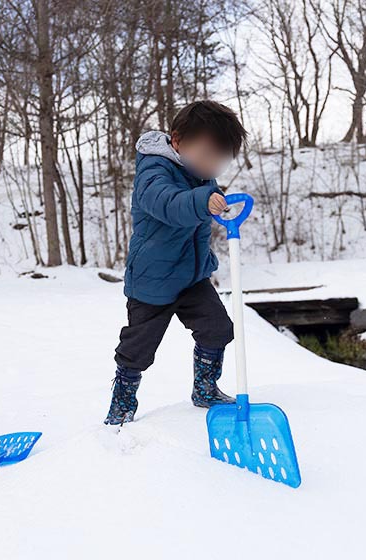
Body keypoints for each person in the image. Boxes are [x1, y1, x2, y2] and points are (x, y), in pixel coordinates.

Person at [105, 100, 247, 425]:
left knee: (218, 329)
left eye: (221, 160)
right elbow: (168, 203)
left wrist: (213, 200)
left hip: (191, 277)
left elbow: (196, 203)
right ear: (178, 140)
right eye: (207, 156)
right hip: (152, 281)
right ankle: (122, 404)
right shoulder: (153, 171)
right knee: (138, 349)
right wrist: (202, 201)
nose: (213, 167)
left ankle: (205, 388)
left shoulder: (201, 176)